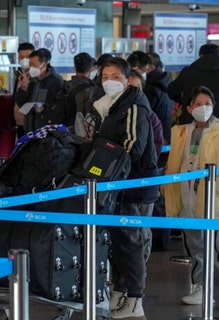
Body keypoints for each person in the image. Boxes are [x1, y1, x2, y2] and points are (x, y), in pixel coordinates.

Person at [86, 57, 160, 320]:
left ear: (128, 79)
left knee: (130, 242)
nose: (110, 81)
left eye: (116, 76)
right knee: (118, 242)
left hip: (133, 185)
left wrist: (106, 163)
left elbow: (133, 146)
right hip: (117, 185)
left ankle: (134, 299)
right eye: (105, 76)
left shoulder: (134, 104)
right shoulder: (109, 106)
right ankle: (120, 291)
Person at [162, 86, 219, 305]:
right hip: (186, 199)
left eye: (207, 103)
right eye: (198, 104)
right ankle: (202, 288)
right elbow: (174, 165)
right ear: (189, 108)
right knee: (195, 248)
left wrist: (216, 192)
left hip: (212, 203)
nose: (203, 108)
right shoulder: (181, 133)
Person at [168, 44, 219, 125]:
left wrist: (187, 102)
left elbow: (171, 92)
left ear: (200, 55)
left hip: (191, 122)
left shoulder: (188, 72)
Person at [46, 51, 96, 136]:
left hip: (63, 132)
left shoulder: (64, 86)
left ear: (74, 68)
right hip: (81, 134)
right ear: (91, 69)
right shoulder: (92, 89)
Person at [13, 48, 63, 132]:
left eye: (34, 65)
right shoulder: (31, 80)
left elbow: (60, 106)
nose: (31, 68)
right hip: (30, 129)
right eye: (30, 65)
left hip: (47, 131)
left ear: (43, 65)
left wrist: (45, 108)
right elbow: (21, 103)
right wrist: (23, 89)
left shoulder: (56, 81)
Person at [127, 51, 172, 143]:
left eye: (144, 71)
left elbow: (145, 116)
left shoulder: (151, 90)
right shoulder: (164, 82)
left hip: (155, 137)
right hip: (161, 134)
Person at [13, 42, 35, 136]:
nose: (24, 60)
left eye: (27, 57)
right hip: (19, 124)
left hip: (31, 125)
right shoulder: (19, 74)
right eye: (21, 57)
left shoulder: (36, 76)